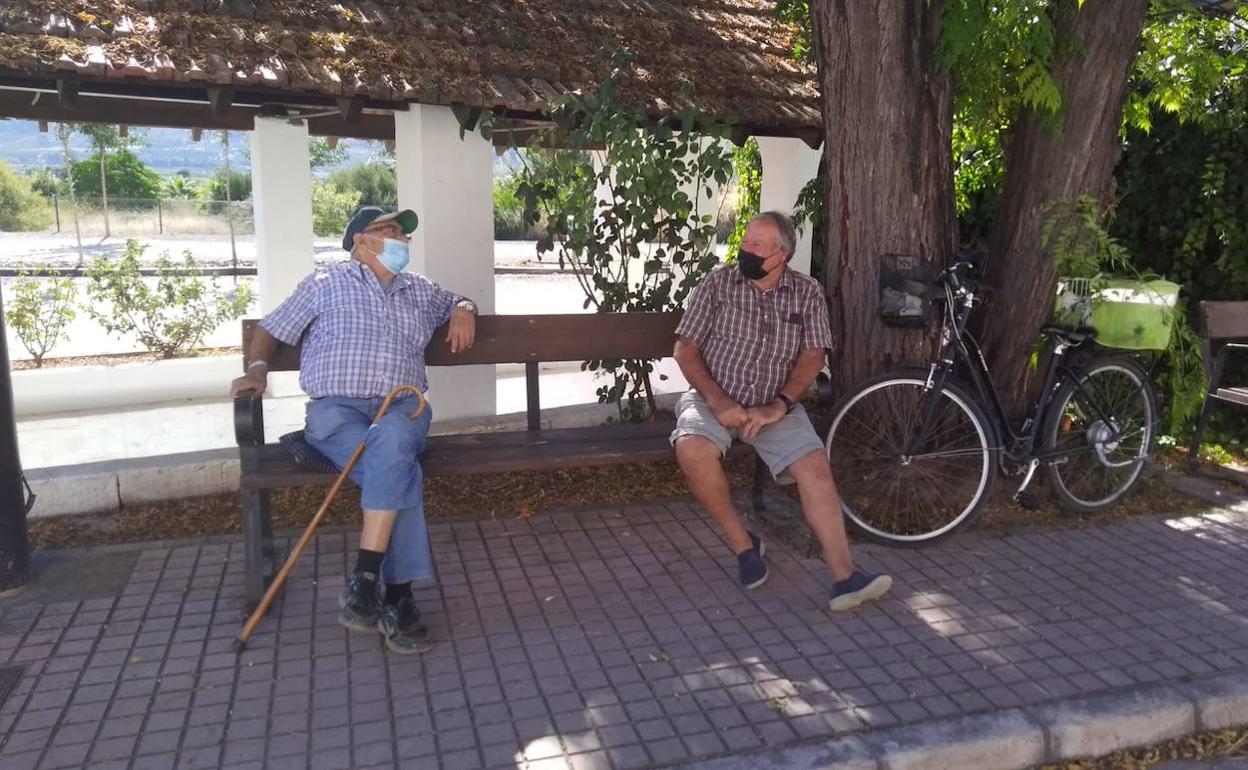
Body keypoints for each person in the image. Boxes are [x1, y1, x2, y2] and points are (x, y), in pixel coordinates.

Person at [229, 206, 478, 653]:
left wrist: (464, 308)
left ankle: (365, 580)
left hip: (404, 404)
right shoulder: (326, 283)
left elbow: (458, 299)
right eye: (389, 231)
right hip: (336, 412)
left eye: (403, 233)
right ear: (360, 241)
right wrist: (259, 370)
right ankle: (398, 599)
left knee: (393, 438)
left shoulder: (419, 289)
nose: (400, 238)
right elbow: (270, 330)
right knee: (400, 466)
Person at [671, 211, 892, 611]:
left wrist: (779, 405)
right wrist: (720, 401)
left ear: (782, 255)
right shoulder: (719, 283)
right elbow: (685, 349)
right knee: (692, 448)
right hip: (712, 398)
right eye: (745, 242)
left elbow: (813, 355)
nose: (747, 251)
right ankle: (744, 545)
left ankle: (845, 577)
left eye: (758, 246)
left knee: (814, 464)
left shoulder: (806, 292)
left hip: (774, 405)